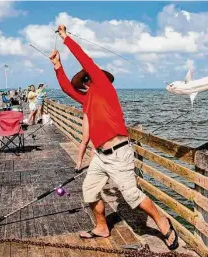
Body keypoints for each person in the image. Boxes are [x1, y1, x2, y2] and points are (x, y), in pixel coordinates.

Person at [49, 24, 179, 250]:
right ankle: (102, 226)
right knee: (89, 190)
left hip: (119, 152)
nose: (87, 82)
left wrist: (66, 38)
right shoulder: (87, 99)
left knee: (131, 196)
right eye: (86, 81)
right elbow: (68, 90)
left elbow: (86, 61)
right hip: (100, 156)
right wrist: (58, 66)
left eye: (87, 78)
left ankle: (162, 222)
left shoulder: (106, 89)